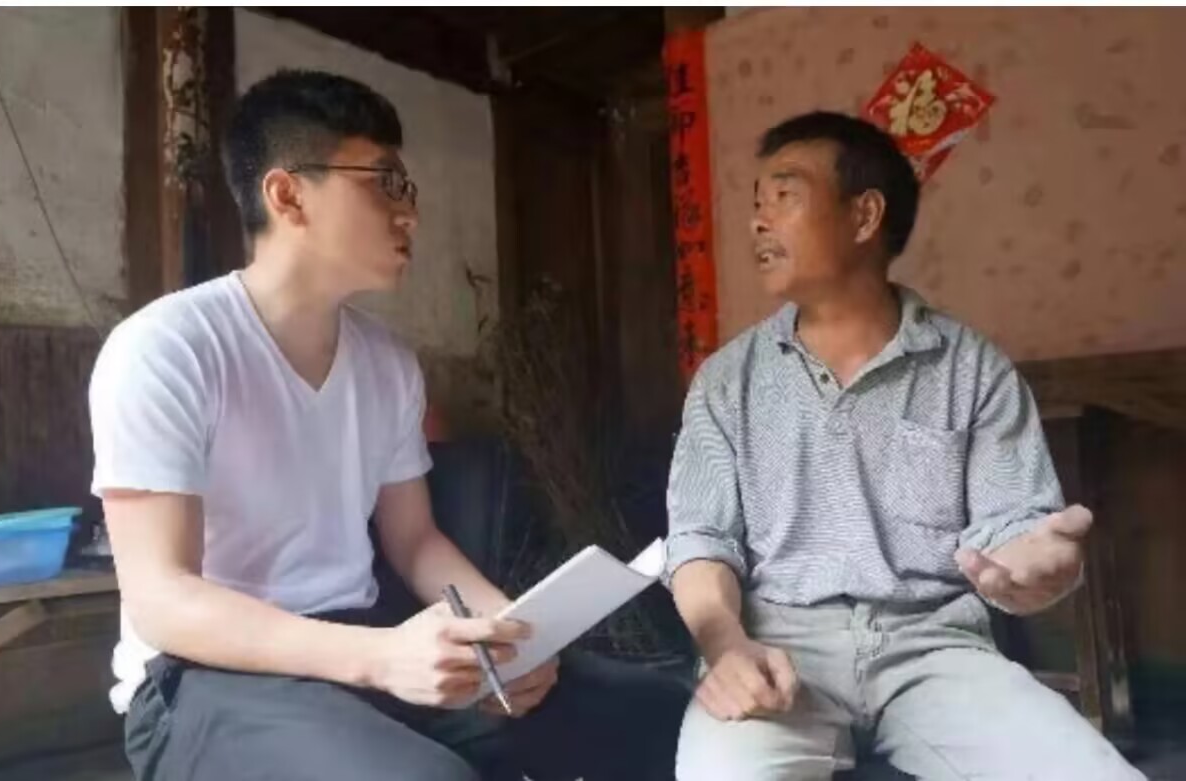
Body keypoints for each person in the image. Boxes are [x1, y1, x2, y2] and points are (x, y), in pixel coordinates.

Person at [89, 68, 686, 781]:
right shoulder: (167, 349)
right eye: (385, 183)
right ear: (288, 195)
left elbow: (415, 540)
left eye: (408, 189)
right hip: (204, 677)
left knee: (652, 712)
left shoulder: (388, 364)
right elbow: (161, 599)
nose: (409, 214)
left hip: (361, 645)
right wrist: (377, 657)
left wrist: (513, 635)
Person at [666, 111, 1144, 780]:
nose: (757, 221)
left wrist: (1036, 565)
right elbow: (700, 539)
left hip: (936, 649)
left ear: (864, 215)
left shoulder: (971, 367)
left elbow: (1012, 529)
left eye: (784, 195)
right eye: (756, 202)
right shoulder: (726, 380)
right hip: (777, 649)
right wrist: (725, 645)